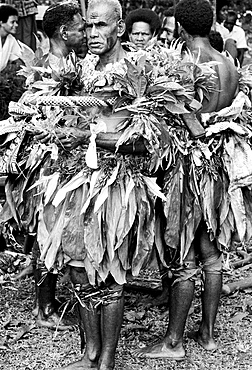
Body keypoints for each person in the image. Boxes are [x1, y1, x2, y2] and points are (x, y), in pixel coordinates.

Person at [135, 0, 239, 360]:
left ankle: (174, 342)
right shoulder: (229, 63)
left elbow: (175, 121)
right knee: (212, 255)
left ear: (179, 27)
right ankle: (207, 334)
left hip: (187, 168)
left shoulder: (183, 67)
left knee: (183, 254)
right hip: (219, 165)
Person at [0, 0, 87, 330]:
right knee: (46, 231)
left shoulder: (66, 61)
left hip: (60, 161)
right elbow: (43, 119)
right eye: (80, 28)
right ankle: (44, 308)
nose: (85, 33)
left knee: (51, 231)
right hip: (50, 165)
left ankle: (48, 302)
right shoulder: (52, 68)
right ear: (65, 32)